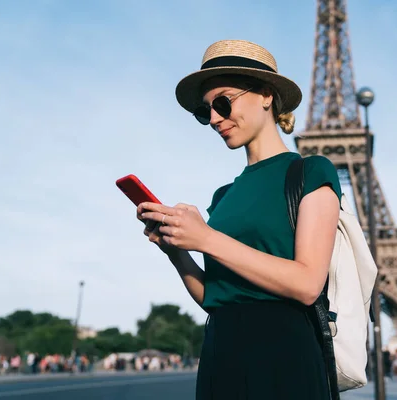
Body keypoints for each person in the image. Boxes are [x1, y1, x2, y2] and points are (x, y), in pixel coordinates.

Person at [137, 40, 342, 400]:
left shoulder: (309, 172)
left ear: (265, 94)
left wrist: (204, 239)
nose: (214, 118)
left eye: (222, 102)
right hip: (220, 353)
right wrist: (176, 252)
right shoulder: (222, 197)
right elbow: (216, 297)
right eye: (206, 112)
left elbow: (309, 282)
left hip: (284, 356)